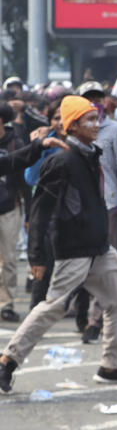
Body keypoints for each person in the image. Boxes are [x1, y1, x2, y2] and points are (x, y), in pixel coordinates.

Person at [0, 97, 117, 393]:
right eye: (89, 120)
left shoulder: (91, 154)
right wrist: (37, 255)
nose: (96, 124)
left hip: (99, 248)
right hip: (73, 249)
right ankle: (7, 361)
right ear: (72, 126)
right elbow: (40, 209)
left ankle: (112, 365)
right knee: (52, 307)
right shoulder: (62, 160)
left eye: (96, 117)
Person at [78, 80, 117, 343]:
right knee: (82, 265)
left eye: (97, 98)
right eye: (88, 99)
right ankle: (83, 315)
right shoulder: (74, 132)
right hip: (80, 208)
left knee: (106, 263)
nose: (94, 103)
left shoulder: (115, 130)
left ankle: (96, 320)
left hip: (110, 204)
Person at [0, 103, 26, 322]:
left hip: (9, 208)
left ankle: (6, 303)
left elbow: (23, 179)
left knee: (9, 259)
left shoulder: (14, 143)